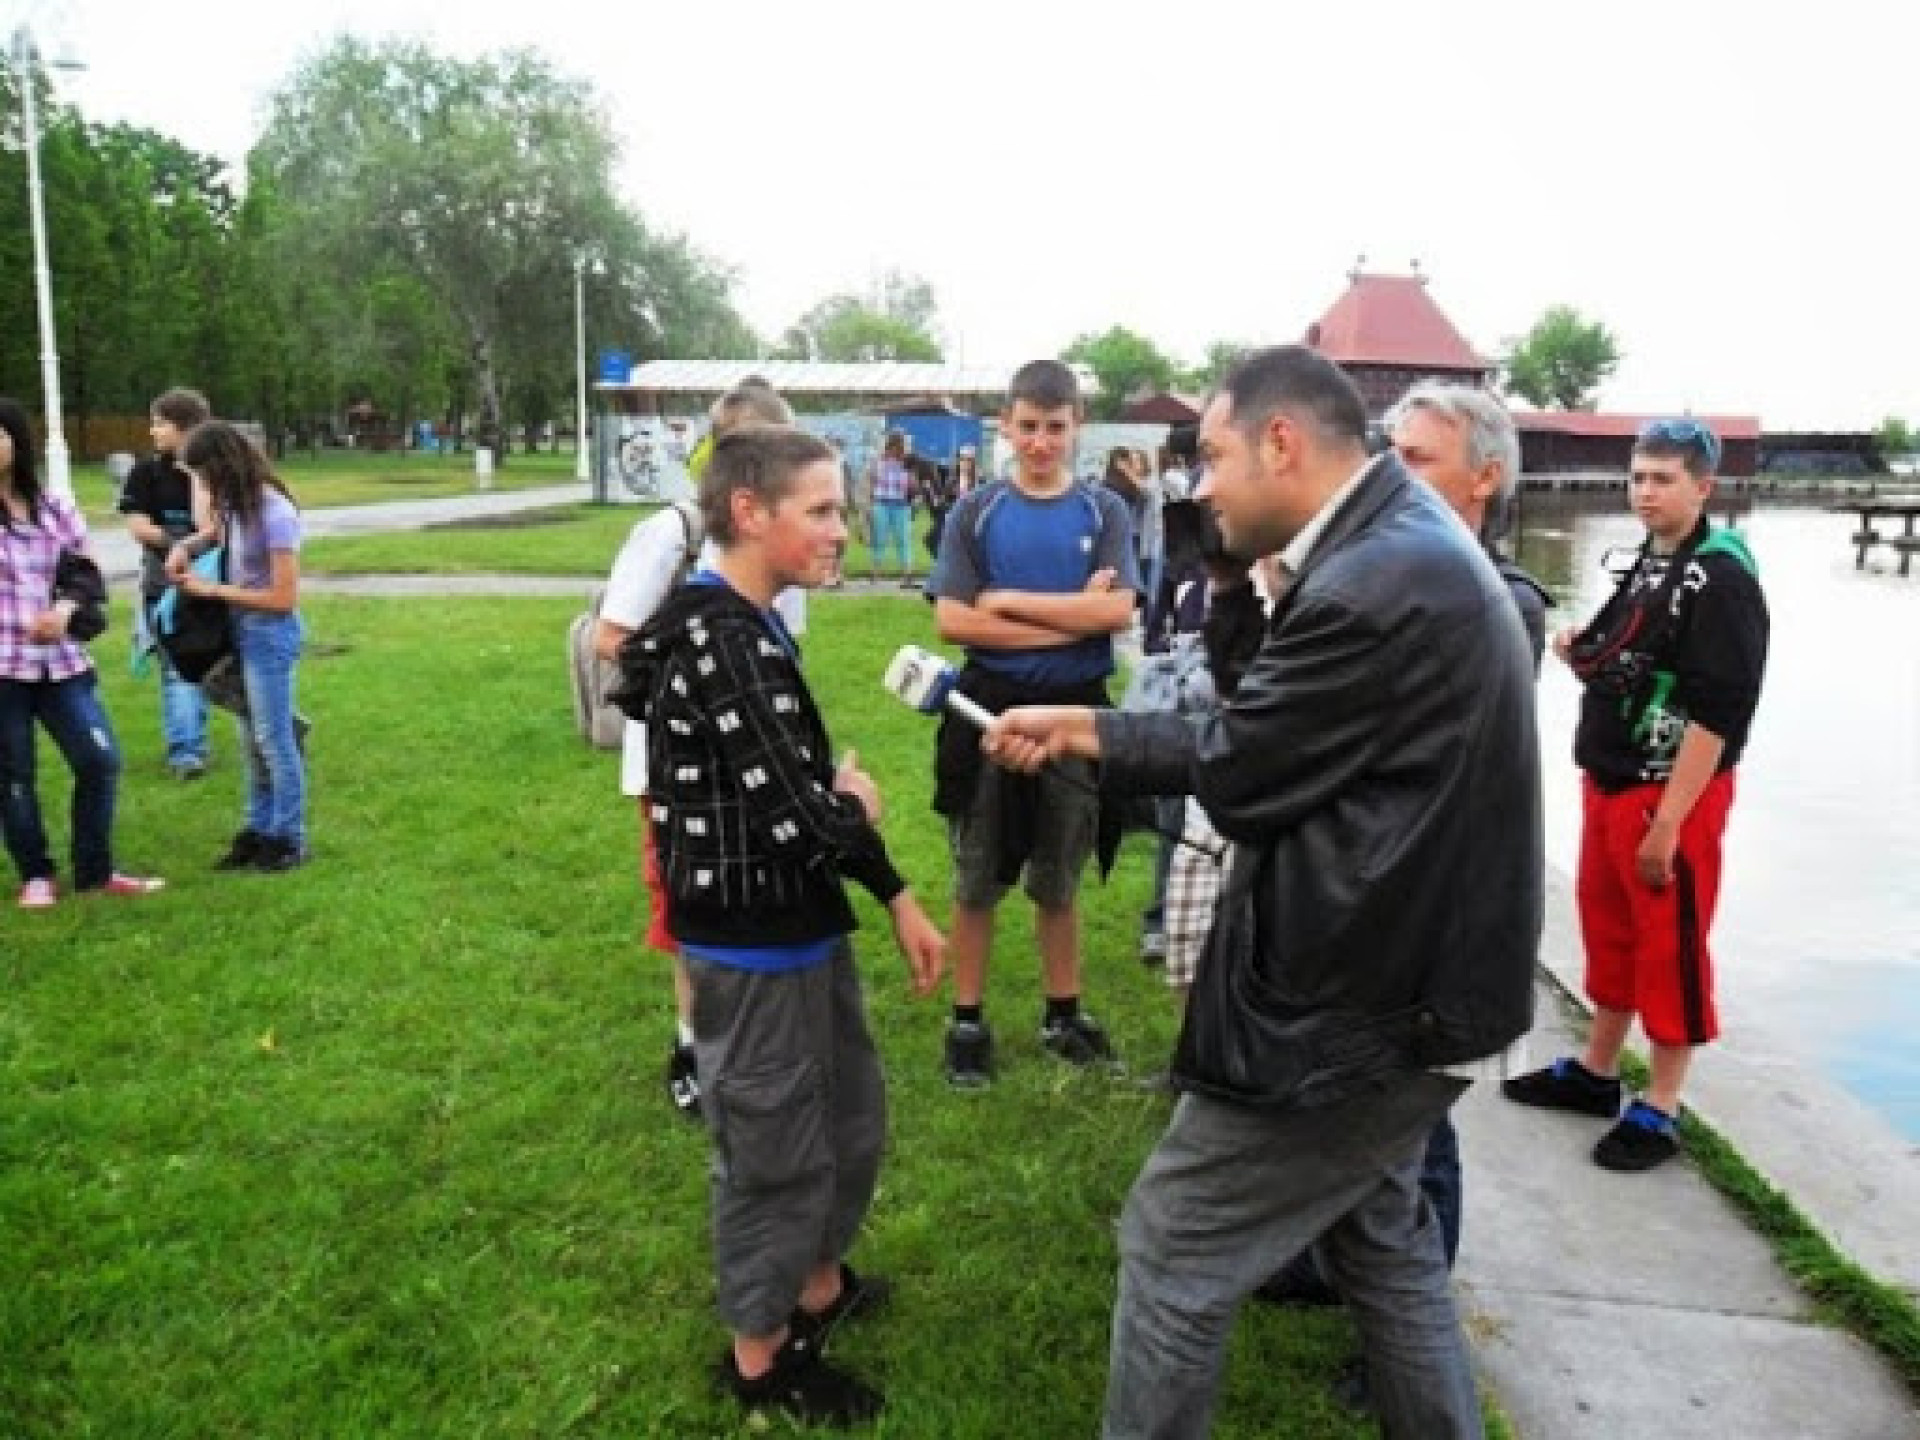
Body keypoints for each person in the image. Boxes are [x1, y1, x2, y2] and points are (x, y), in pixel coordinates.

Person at [984, 346, 1539, 1439]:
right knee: (1383, 1239)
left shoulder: (1378, 580)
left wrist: (1090, 731)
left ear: (1282, 442)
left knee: (1174, 1240)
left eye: (1214, 456)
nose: (1201, 486)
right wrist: (1218, 594)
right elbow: (1267, 719)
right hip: (1419, 982)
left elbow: (1243, 770)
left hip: (1364, 1006)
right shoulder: (1386, 547)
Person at [614, 425, 945, 1429]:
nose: (842, 530)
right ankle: (760, 1358)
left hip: (799, 926)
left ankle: (817, 1286)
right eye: (823, 510)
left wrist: (891, 892)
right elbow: (802, 818)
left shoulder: (751, 625)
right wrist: (856, 809)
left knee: (845, 1118)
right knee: (772, 1152)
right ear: (750, 513)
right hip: (749, 946)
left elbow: (787, 793)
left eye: (842, 509)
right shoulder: (720, 639)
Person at [1503, 417, 1768, 1172]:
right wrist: (1581, 651)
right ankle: (1598, 1069)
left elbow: (1721, 710)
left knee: (1670, 944)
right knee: (1610, 928)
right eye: (1638, 477)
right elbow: (1635, 655)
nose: (1645, 493)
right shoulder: (1655, 561)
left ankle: (1663, 1102)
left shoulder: (1722, 579)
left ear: (1703, 487)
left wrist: (1670, 822)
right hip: (1613, 778)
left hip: (1668, 792)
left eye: (1663, 480)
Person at [927, 359, 1140, 1088]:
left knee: (1060, 871)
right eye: (1028, 427)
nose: (1041, 442)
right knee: (977, 872)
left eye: (1055, 426)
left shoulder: (1105, 512)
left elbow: (1118, 612)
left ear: (1078, 425)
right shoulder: (975, 511)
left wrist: (1005, 601)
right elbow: (953, 621)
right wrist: (1073, 619)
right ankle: (967, 1019)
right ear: (1006, 426)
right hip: (987, 708)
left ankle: (1062, 1012)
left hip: (1076, 711)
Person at [597, 380, 802, 1120]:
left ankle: (756, 1036)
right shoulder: (673, 533)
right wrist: (709, 689)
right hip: (676, 763)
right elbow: (612, 636)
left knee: (757, 889)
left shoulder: (787, 541)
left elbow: (785, 650)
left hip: (762, 757)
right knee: (688, 900)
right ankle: (692, 1044)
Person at [1, 397, 166, 910]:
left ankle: (96, 871)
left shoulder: (54, 507)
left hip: (62, 664)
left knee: (99, 760)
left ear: (16, 441)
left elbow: (87, 573)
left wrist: (65, 610)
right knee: (13, 775)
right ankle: (36, 874)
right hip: (4, 668)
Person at [167, 421, 308, 873]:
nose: (201, 485)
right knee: (251, 741)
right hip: (240, 632)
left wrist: (213, 590)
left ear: (223, 466)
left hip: (269, 635)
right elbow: (215, 534)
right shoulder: (235, 506)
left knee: (273, 740)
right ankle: (258, 829)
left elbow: (283, 599)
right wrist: (185, 547)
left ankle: (289, 837)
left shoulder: (275, 512)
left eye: (202, 475)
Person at [120, 387, 214, 779]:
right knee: (178, 668)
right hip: (164, 589)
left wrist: (196, 477)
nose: (152, 431)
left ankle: (199, 741)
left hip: (214, 587)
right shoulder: (145, 474)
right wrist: (185, 542)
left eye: (160, 423)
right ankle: (186, 753)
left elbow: (218, 526)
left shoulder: (213, 473)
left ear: (185, 427)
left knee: (216, 667)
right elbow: (139, 528)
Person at [867, 431, 915, 584]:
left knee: (903, 539)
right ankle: (875, 573)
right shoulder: (879, 460)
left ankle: (907, 574)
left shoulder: (907, 462)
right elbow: (872, 480)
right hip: (881, 502)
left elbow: (912, 483)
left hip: (901, 504)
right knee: (879, 539)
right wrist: (870, 502)